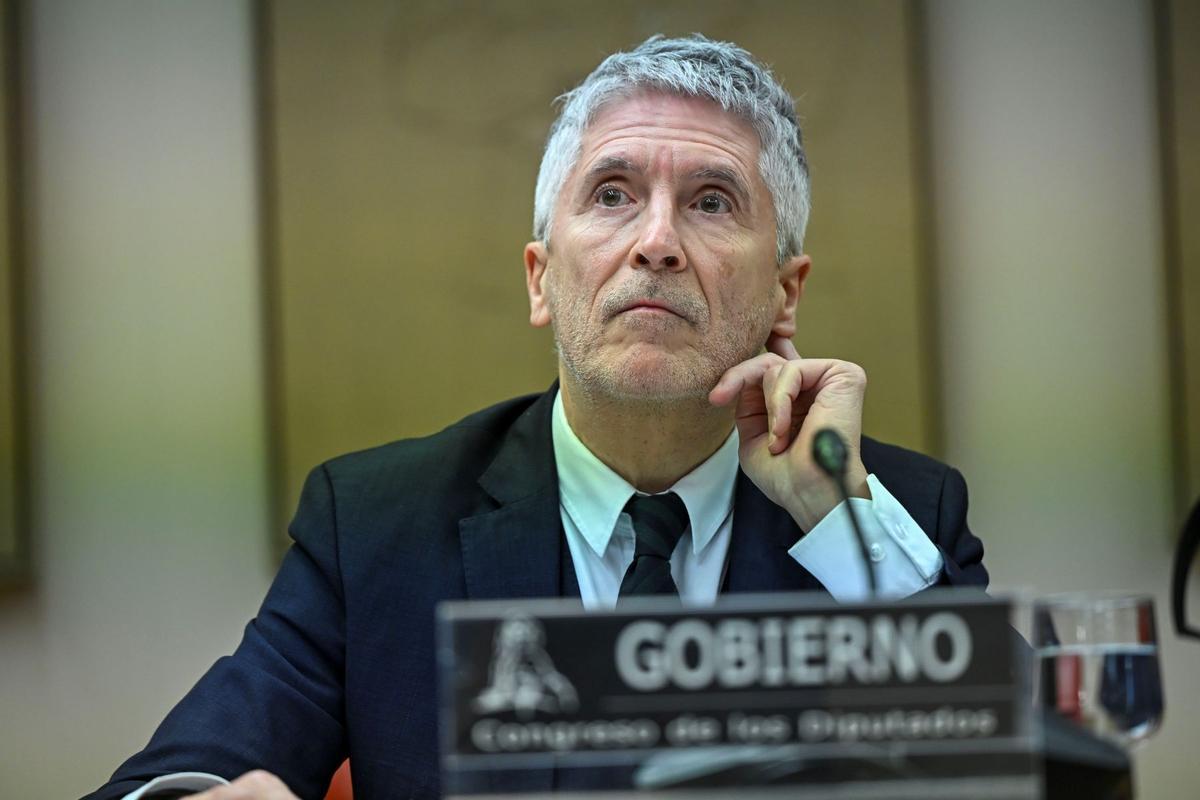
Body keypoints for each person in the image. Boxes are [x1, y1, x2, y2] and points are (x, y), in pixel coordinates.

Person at [84, 35, 986, 800]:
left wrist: (841, 521)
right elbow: (181, 770)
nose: (657, 241)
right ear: (539, 278)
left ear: (786, 293)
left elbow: (1038, 768)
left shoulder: (893, 512)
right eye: (612, 194)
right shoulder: (374, 528)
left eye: (712, 202)